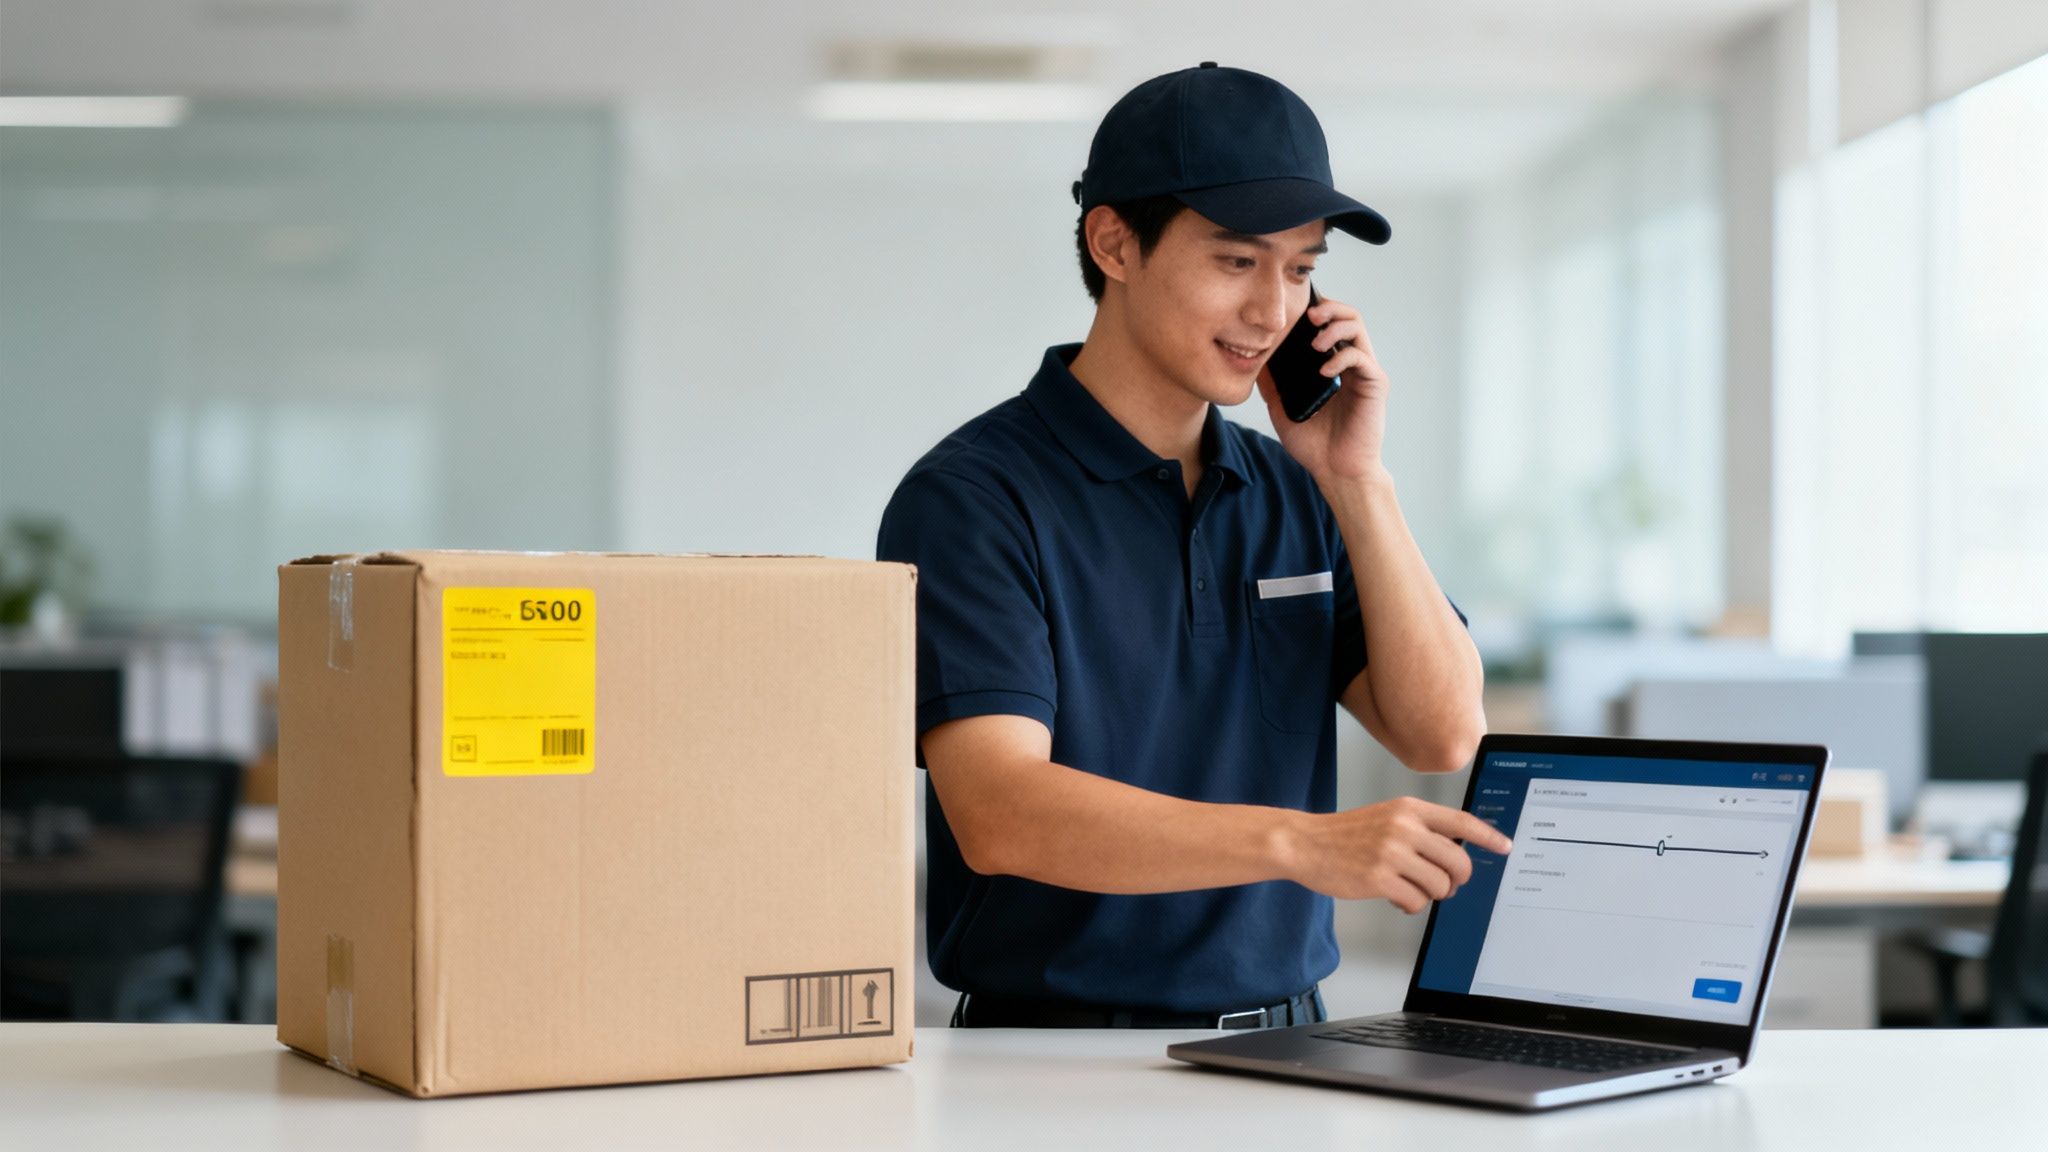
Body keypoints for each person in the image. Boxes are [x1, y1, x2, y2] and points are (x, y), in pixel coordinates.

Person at [876, 63, 1511, 1031]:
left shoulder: (1300, 489)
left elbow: (1443, 732)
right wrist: (1302, 845)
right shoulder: (969, 499)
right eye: (1234, 261)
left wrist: (1355, 482)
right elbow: (998, 810)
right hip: (1047, 1065)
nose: (1273, 312)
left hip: (1290, 1042)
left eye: (1300, 269)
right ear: (1114, 243)